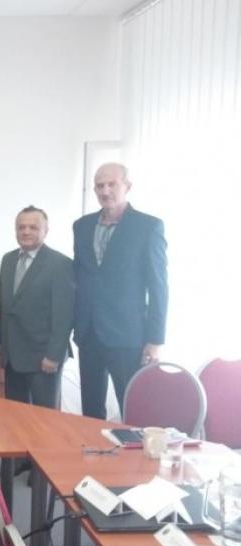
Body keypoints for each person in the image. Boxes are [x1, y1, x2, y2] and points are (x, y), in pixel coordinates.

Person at [73, 163, 168, 419]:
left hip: (127, 335)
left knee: (132, 409)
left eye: (112, 184)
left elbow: (158, 286)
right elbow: (80, 277)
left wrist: (155, 339)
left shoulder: (148, 226)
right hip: (88, 332)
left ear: (127, 186)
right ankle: (91, 447)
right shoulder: (81, 226)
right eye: (100, 186)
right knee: (90, 410)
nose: (105, 191)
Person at [0, 206, 74, 410]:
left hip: (43, 358)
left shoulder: (60, 264)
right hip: (12, 356)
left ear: (45, 230)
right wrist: (0, 343)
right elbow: (5, 306)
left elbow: (64, 314)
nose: (26, 231)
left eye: (33, 227)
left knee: (45, 418)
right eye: (21, 227)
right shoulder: (7, 260)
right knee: (15, 415)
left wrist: (54, 355)